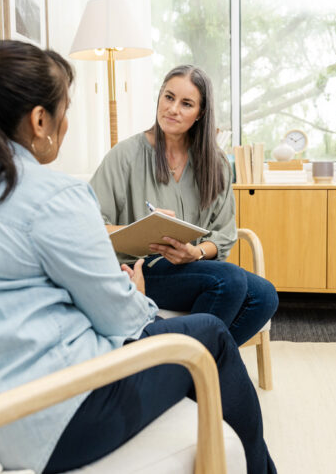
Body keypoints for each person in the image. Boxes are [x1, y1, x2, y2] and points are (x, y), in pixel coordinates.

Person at [0, 41, 276, 474]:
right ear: (40, 120)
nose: (66, 123)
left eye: (186, 102)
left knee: (249, 292)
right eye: (65, 109)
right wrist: (137, 294)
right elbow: (124, 319)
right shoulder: (55, 195)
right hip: (59, 412)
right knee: (210, 333)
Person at [90, 65, 278, 346]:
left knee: (265, 295)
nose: (173, 109)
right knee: (230, 282)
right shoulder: (125, 155)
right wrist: (139, 229)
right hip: (139, 270)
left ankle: (186, 367)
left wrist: (196, 253)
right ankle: (195, 368)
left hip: (195, 268)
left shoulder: (216, 164)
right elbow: (89, 225)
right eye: (168, 97)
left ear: (200, 113)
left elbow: (224, 234)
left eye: (186, 103)